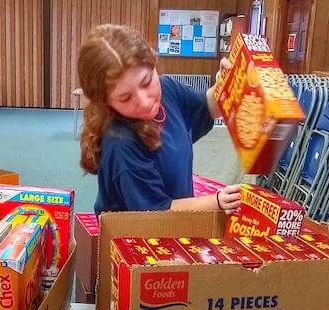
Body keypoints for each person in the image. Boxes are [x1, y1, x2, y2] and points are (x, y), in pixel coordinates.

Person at [77, 24, 242, 214]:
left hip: (174, 227)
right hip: (136, 236)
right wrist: (218, 202)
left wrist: (229, 84)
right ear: (105, 102)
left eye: (146, 82)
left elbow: (209, 107)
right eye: (125, 98)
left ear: (153, 62)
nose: (144, 101)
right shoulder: (119, 142)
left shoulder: (168, 89)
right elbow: (157, 213)